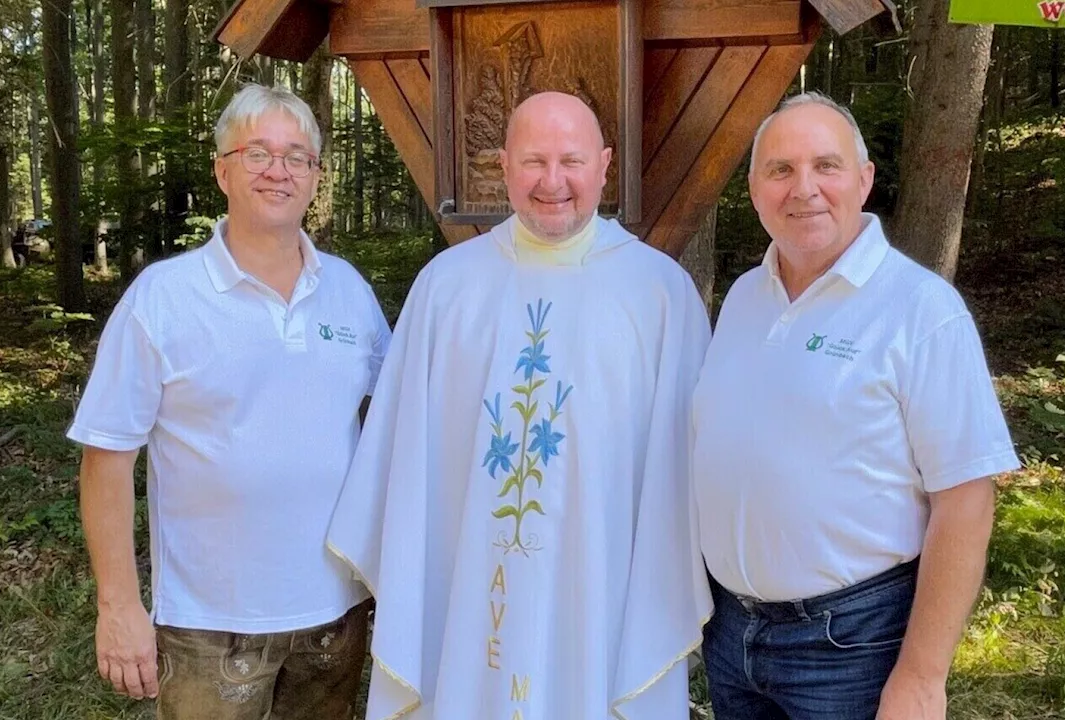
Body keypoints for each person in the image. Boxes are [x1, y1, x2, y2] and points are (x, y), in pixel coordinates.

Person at [327, 91, 712, 720]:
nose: (552, 181)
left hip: (603, 591)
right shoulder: (446, 289)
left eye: (572, 160)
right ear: (502, 166)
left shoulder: (660, 295)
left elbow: (691, 475)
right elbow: (401, 468)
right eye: (533, 161)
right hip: (470, 586)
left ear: (605, 166)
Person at [692, 92, 1019, 720]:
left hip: (851, 645)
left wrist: (922, 678)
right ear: (755, 188)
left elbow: (967, 500)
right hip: (733, 636)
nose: (803, 189)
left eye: (826, 166)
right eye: (780, 170)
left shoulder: (920, 310)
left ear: (864, 180)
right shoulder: (743, 297)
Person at [67, 84, 390, 720]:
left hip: (337, 614)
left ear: (315, 176)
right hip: (209, 625)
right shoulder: (163, 298)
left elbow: (394, 425)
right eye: (258, 153)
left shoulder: (348, 292)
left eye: (298, 156)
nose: (279, 170)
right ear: (222, 169)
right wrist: (119, 606)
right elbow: (106, 460)